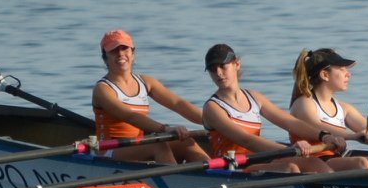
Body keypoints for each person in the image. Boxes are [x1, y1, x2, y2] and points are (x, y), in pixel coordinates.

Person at [200, 44, 340, 174]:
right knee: (289, 168)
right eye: (213, 69)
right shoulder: (213, 108)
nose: (218, 73)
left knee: (314, 163)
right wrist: (290, 151)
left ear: (237, 64)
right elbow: (246, 140)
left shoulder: (254, 97)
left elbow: (290, 122)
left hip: (258, 160)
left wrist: (324, 135)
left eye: (222, 66)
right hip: (234, 168)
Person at [91, 29, 209, 163]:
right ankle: (175, 181)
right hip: (109, 150)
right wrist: (166, 129)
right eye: (114, 50)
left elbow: (178, 104)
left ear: (133, 53)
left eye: (125, 49)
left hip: (137, 145)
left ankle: (214, 177)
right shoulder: (102, 89)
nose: (120, 54)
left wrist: (211, 122)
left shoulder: (146, 82)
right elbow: (130, 116)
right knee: (158, 145)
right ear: (105, 57)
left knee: (186, 142)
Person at [288, 47, 368, 171]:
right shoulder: (304, 103)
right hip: (311, 161)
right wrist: (353, 136)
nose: (348, 74)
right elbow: (317, 126)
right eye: (342, 69)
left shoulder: (345, 108)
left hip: (334, 159)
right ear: (325, 75)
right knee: (360, 163)